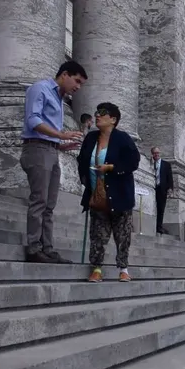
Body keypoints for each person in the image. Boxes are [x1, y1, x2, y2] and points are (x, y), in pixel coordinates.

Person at [20, 61, 87, 263]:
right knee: (39, 200)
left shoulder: (59, 99)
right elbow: (33, 120)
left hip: (50, 150)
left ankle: (47, 248)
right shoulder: (40, 88)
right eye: (77, 81)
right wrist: (60, 134)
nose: (78, 87)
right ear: (64, 74)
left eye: (81, 84)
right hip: (36, 148)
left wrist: (59, 144)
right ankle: (34, 247)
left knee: (49, 204)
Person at [77, 102, 140, 282]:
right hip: (97, 195)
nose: (97, 115)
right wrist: (85, 178)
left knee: (122, 235)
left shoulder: (123, 139)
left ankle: (124, 268)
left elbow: (133, 162)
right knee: (97, 234)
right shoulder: (91, 138)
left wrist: (111, 168)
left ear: (113, 119)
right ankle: (96, 268)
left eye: (102, 113)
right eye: (96, 112)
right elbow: (82, 159)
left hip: (120, 196)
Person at [151, 147, 173, 234]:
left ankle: (159, 227)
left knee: (161, 209)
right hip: (152, 187)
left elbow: (170, 177)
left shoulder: (166, 165)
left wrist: (170, 188)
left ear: (160, 153)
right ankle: (153, 225)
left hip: (162, 188)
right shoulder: (150, 163)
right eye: (154, 153)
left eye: (157, 153)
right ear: (152, 154)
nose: (156, 155)